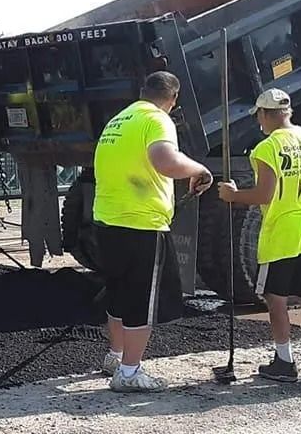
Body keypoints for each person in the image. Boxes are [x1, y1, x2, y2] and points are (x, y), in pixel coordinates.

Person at [92, 71, 213, 392]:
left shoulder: (119, 120)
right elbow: (164, 160)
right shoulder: (157, 119)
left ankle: (116, 357)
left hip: (107, 221)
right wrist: (199, 169)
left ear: (142, 91)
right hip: (142, 225)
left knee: (117, 295)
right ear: (173, 99)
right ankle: (129, 373)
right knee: (141, 302)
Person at [217, 88, 301, 383]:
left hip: (280, 235)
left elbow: (265, 194)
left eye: (259, 116)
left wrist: (233, 195)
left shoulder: (268, 148)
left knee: (276, 299)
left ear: (264, 114)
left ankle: (284, 361)